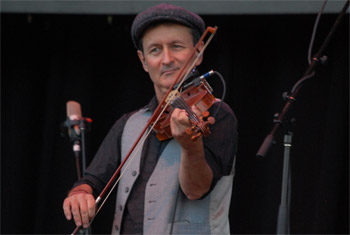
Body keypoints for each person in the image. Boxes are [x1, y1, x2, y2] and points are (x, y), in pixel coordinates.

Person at [63, 3, 238, 234]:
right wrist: (80, 194)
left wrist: (190, 145)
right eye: (155, 50)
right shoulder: (128, 124)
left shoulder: (216, 113)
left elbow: (196, 190)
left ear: (198, 53)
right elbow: (92, 180)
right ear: (144, 61)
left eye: (176, 47)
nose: (166, 59)